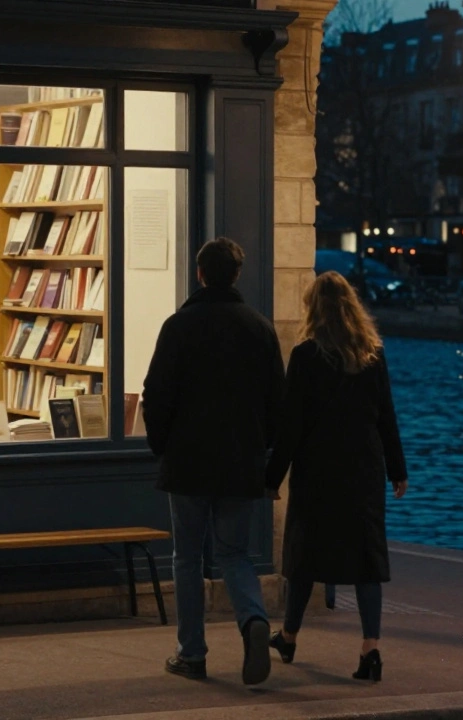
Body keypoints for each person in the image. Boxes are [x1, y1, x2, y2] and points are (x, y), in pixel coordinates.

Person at [142, 237, 286, 685]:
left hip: (188, 459)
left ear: (201, 273)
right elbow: (278, 402)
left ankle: (192, 653)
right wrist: (262, 449)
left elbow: (157, 393)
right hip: (241, 460)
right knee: (235, 554)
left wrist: (161, 446)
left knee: (186, 557)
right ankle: (253, 620)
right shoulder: (259, 328)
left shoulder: (179, 326)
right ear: (236, 275)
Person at [265, 270, 408, 683]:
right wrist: (398, 470)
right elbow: (386, 418)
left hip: (318, 469)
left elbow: (291, 426)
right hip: (364, 468)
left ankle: (289, 637)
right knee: (366, 561)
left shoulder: (307, 356)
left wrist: (273, 477)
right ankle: (371, 650)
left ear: (314, 309)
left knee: (304, 556)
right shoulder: (372, 354)